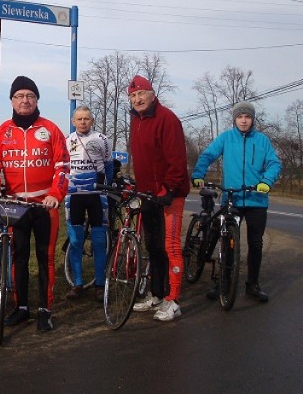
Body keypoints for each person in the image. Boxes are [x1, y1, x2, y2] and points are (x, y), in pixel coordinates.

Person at [0, 76, 69, 331]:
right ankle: (21, 308)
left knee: (45, 257)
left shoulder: (51, 129)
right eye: (19, 96)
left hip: (45, 206)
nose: (25, 100)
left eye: (30, 96)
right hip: (15, 206)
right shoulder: (3, 131)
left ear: (37, 99)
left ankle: (45, 310)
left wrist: (56, 194)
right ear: (12, 100)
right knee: (18, 257)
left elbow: (62, 165)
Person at [192, 101, 281, 302]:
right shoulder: (226, 138)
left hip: (256, 200)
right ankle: (223, 283)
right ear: (235, 119)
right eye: (240, 116)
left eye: (247, 117)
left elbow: (274, 163)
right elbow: (207, 155)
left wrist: (266, 181)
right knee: (227, 242)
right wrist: (199, 173)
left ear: (252, 119)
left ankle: (253, 285)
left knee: (255, 244)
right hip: (232, 198)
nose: (243, 120)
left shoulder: (262, 140)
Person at [128, 75, 190, 322]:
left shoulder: (167, 119)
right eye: (132, 96)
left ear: (152, 94)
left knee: (171, 246)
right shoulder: (136, 121)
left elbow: (177, 159)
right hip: (147, 193)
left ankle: (173, 300)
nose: (137, 99)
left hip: (169, 194)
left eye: (141, 94)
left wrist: (169, 188)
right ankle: (156, 294)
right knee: (153, 245)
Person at [65, 106, 113, 302]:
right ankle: (77, 283)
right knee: (76, 242)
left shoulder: (102, 139)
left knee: (99, 242)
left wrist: (108, 188)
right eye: (79, 119)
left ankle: (100, 284)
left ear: (92, 120)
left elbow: (109, 165)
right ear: (73, 121)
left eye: (86, 119)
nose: (83, 122)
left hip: (97, 195)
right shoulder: (66, 141)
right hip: (74, 195)